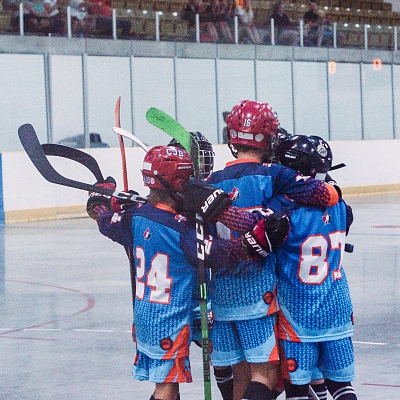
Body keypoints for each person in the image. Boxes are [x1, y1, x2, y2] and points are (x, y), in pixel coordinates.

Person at [86, 144, 288, 400]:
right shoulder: (181, 231)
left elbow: (107, 223)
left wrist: (101, 203)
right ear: (178, 183)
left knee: (167, 386)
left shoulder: (134, 217)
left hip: (145, 316)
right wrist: (252, 244)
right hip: (170, 321)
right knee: (166, 389)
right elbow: (218, 253)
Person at [205, 100, 340, 400]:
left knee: (241, 377)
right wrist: (330, 187)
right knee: (267, 374)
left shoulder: (211, 182)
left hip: (222, 299)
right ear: (268, 137)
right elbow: (326, 195)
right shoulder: (276, 175)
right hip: (259, 297)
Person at [273, 135, 357, 400]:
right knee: (341, 386)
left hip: (299, 313)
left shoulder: (284, 210)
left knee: (297, 389)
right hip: (337, 309)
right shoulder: (341, 206)